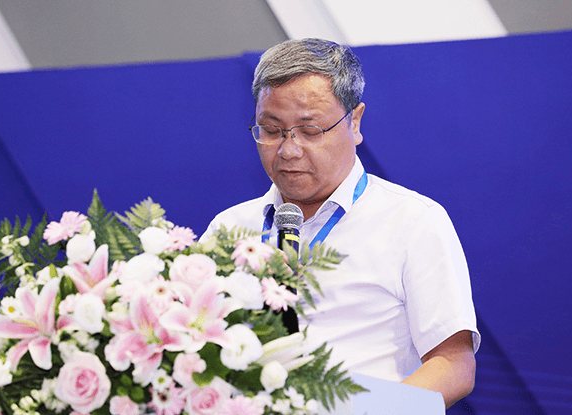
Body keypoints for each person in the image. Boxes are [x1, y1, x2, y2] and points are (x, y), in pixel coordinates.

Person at [202, 38, 480, 409]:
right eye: (270, 130)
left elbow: (454, 364)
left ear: (355, 121)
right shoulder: (228, 228)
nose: (288, 150)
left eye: (310, 131)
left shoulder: (413, 221)